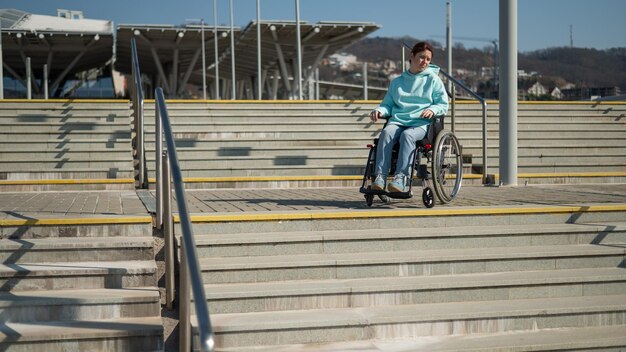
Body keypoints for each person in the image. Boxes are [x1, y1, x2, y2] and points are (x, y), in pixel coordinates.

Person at [369, 41, 449, 192]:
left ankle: (401, 178)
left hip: (421, 124)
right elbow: (387, 104)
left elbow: (443, 104)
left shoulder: (433, 80)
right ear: (411, 56)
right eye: (421, 57)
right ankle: (380, 177)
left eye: (428, 59)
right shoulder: (397, 82)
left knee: (407, 136)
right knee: (386, 132)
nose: (424, 62)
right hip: (398, 120)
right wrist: (379, 111)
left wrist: (433, 109)